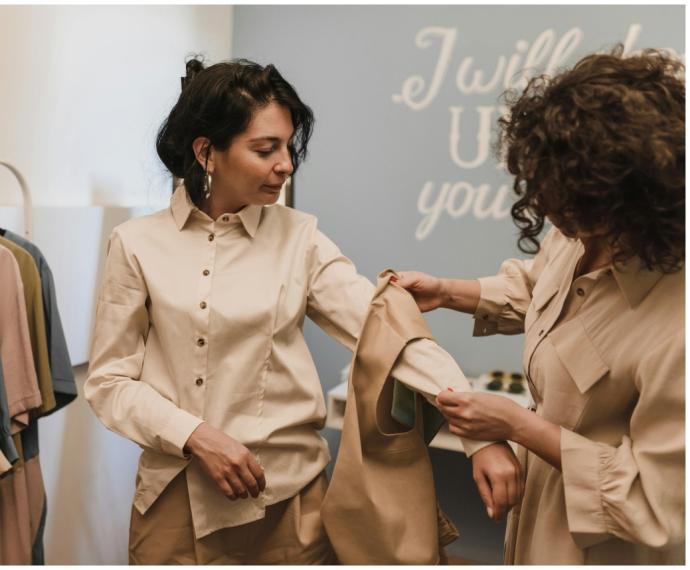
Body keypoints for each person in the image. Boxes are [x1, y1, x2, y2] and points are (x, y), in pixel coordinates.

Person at [85, 57, 521, 564]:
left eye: (289, 146)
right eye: (265, 149)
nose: (286, 163)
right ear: (207, 152)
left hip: (290, 509)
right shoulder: (136, 245)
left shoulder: (301, 239)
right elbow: (110, 382)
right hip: (175, 508)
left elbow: (390, 335)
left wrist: (477, 436)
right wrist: (194, 435)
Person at [393, 48, 685, 564]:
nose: (547, 208)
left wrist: (516, 426)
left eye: (567, 198)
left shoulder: (676, 324)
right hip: (537, 524)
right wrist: (447, 291)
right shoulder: (581, 231)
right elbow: (539, 287)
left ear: (630, 196)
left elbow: (659, 507)